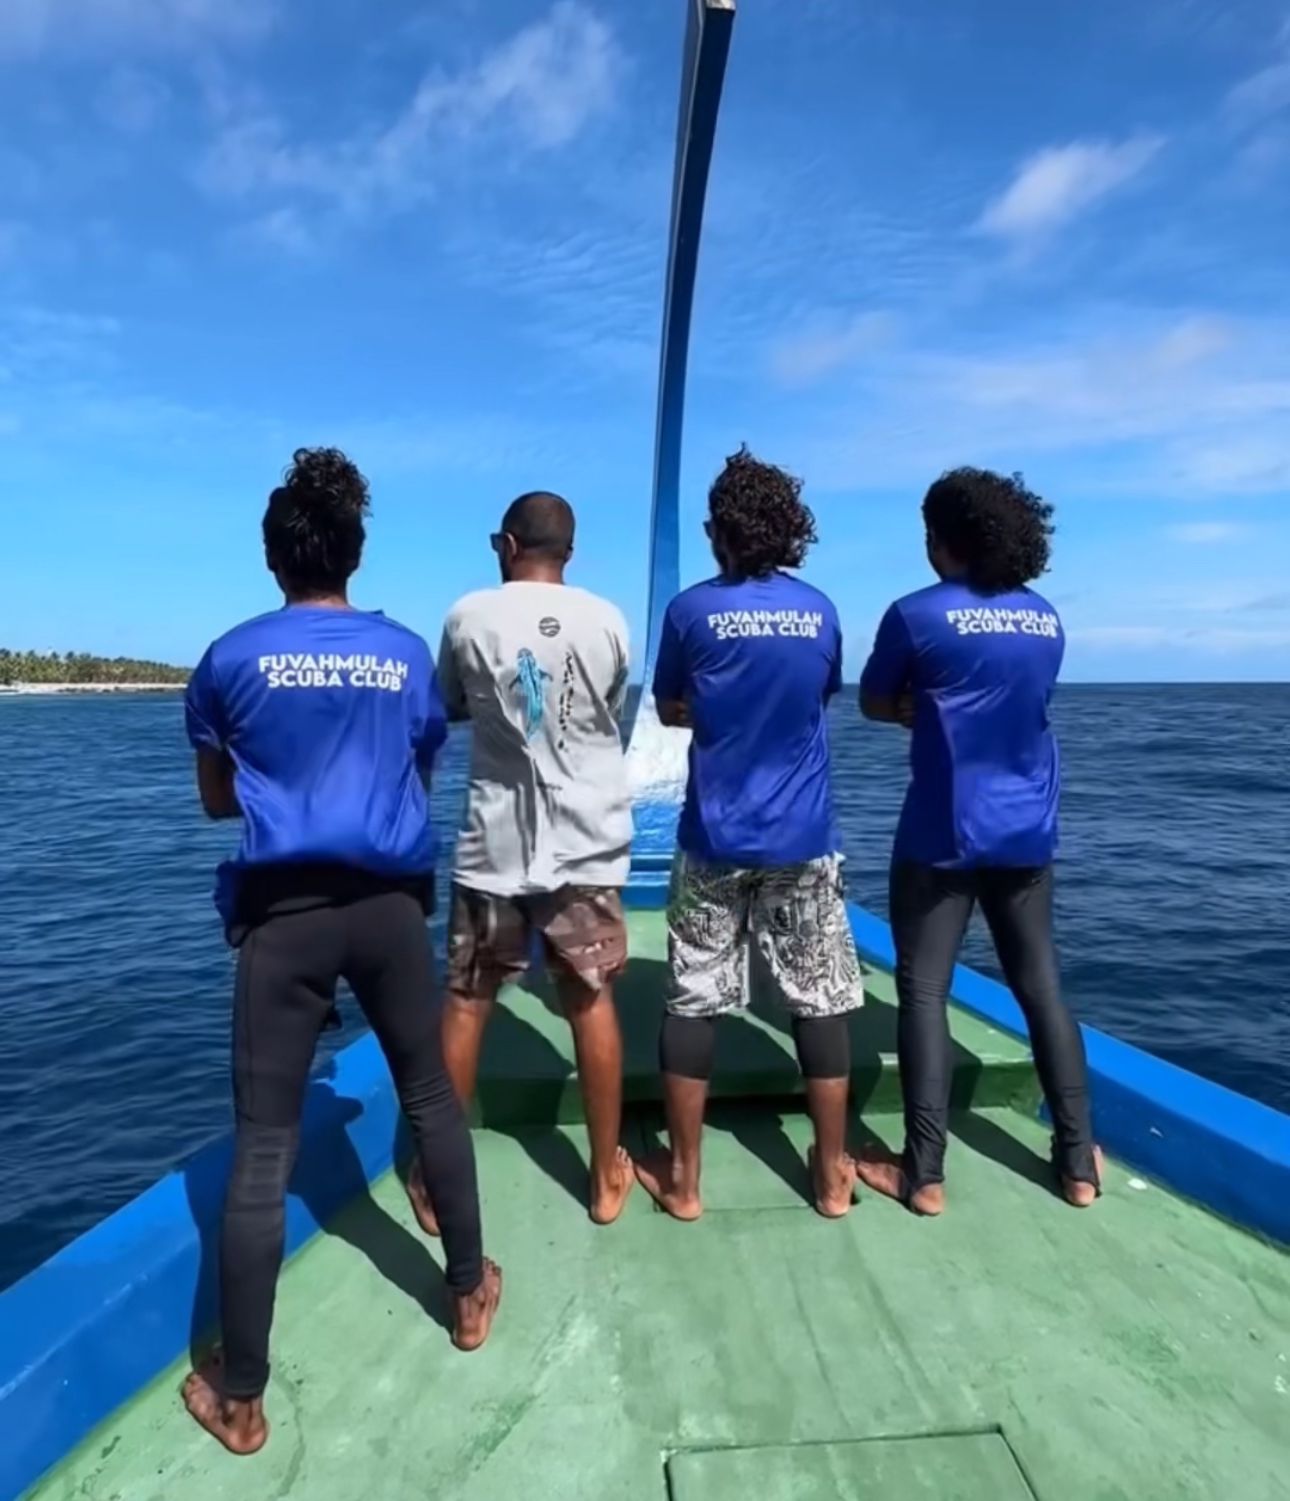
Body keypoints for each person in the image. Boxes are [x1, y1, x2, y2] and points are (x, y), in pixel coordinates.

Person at [181, 448, 500, 1457]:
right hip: (389, 913)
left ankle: (241, 1396)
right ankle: (468, 1293)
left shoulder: (230, 658)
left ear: (274, 557)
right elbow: (413, 767)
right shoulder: (404, 655)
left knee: (261, 1150)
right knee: (430, 1098)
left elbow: (217, 797)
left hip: (285, 922)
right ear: (353, 554)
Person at [857, 466, 1101, 1216]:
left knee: (924, 991)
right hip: (1029, 831)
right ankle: (1077, 1163)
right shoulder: (1045, 618)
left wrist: (915, 708)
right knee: (1041, 986)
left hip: (941, 831)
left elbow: (872, 698)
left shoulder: (914, 614)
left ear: (940, 540)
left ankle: (924, 1173)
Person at [635, 446, 864, 1222]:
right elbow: (818, 697)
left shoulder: (691, 611)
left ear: (719, 531)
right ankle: (833, 1176)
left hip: (713, 838)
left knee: (693, 1001)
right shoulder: (822, 611)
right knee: (819, 997)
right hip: (803, 838)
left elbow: (670, 705)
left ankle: (686, 1182)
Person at [405, 490, 636, 1230]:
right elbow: (605, 701)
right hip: (588, 846)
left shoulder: (468, 615)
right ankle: (604, 1178)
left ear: (505, 544)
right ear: (570, 550)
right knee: (591, 1002)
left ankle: (436, 1183)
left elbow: (448, 703)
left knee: (469, 1003)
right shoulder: (608, 619)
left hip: (495, 847)